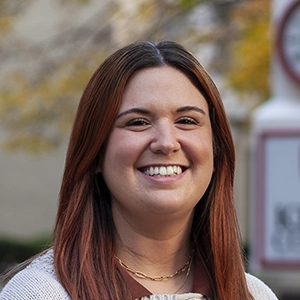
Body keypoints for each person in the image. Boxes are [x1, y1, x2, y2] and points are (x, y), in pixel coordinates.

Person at [0, 41, 278, 300]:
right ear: (95, 152)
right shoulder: (42, 293)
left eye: (186, 120)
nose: (166, 143)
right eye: (138, 122)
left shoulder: (254, 294)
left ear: (216, 149)